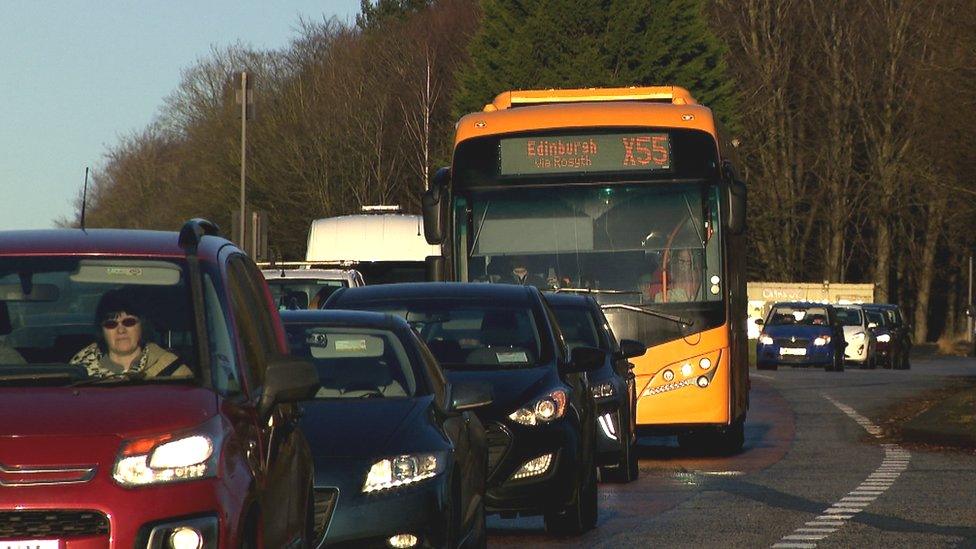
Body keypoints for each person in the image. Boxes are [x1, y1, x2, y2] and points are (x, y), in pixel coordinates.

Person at [70, 289, 191, 378]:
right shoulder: (79, 370)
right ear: (101, 330)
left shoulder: (172, 369)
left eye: (129, 322)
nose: (121, 330)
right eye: (111, 324)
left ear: (142, 326)